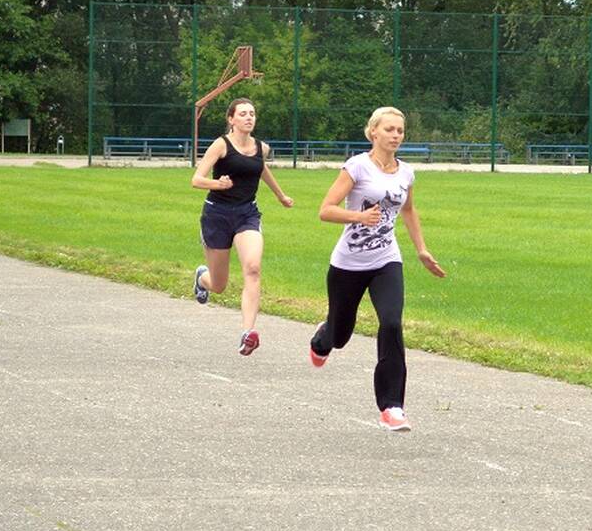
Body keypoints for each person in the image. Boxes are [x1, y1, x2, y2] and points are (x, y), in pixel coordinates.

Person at [309, 107, 445, 431]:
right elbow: (325, 211)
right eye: (389, 129)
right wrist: (358, 217)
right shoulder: (357, 167)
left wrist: (422, 250)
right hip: (347, 264)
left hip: (386, 260)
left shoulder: (406, 173)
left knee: (392, 323)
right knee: (340, 335)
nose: (396, 135)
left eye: (400, 130)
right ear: (373, 132)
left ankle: (392, 406)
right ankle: (322, 338)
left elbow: (409, 211)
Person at [191, 98, 293, 355]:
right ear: (231, 119)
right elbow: (197, 179)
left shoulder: (262, 148)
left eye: (252, 114)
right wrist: (218, 184)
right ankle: (202, 279)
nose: (249, 117)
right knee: (219, 285)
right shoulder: (221, 145)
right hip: (217, 216)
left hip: (247, 214)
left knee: (253, 267)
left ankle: (247, 332)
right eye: (243, 114)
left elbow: (260, 169)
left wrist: (280, 195)